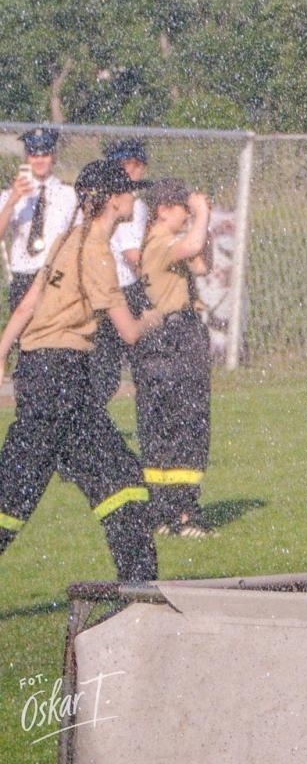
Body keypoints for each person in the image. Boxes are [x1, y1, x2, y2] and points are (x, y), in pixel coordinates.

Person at [0, 160, 164, 581]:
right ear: (112, 200)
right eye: (130, 190)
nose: (134, 196)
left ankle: (138, 582)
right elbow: (128, 331)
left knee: (111, 477)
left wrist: (2, 351)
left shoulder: (67, 240)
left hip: (41, 374)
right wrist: (156, 317)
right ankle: (139, 585)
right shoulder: (96, 251)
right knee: (19, 490)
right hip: (61, 379)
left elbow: (26, 306)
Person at [133, 178, 215, 537]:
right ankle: (182, 513)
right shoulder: (160, 242)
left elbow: (201, 265)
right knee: (185, 423)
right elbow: (194, 246)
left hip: (170, 338)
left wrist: (201, 222)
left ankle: (164, 511)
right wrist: (204, 212)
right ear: (164, 209)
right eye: (182, 207)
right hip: (173, 338)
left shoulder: (164, 243)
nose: (187, 212)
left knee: (167, 423)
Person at [92, 138, 153, 406]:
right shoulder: (127, 203)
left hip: (114, 289)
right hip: (122, 290)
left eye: (136, 164)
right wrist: (157, 286)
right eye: (124, 164)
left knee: (109, 365)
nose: (130, 170)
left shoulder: (127, 201)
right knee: (118, 364)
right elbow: (133, 257)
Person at [1, 127, 78, 318]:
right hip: (24, 276)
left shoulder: (69, 195)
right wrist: (12, 200)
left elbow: (78, 238)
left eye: (45, 153)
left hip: (56, 277)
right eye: (34, 153)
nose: (40, 159)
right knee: (24, 340)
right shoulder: (11, 195)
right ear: (27, 157)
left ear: (54, 156)